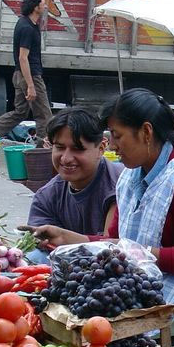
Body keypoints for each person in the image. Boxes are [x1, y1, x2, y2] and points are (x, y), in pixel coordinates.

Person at [27, 89, 174, 342]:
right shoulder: (130, 176)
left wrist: (137, 252)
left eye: (117, 136)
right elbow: (116, 242)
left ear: (146, 132)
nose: (113, 145)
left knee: (102, 327)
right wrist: (66, 237)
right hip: (151, 277)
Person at [21, 108, 123, 263]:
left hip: (116, 269)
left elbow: (113, 249)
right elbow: (42, 247)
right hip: (69, 268)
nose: (66, 158)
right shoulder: (46, 196)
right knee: (33, 258)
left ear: (101, 148)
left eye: (77, 149)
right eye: (60, 147)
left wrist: (65, 238)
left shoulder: (122, 186)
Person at [0, 0, 52, 143]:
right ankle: (42, 150)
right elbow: (23, 57)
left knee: (20, 112)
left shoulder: (27, 24)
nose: (45, 5)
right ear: (35, 7)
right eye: (42, 2)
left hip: (19, 75)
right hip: (30, 75)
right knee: (44, 115)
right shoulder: (27, 28)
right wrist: (31, 85)